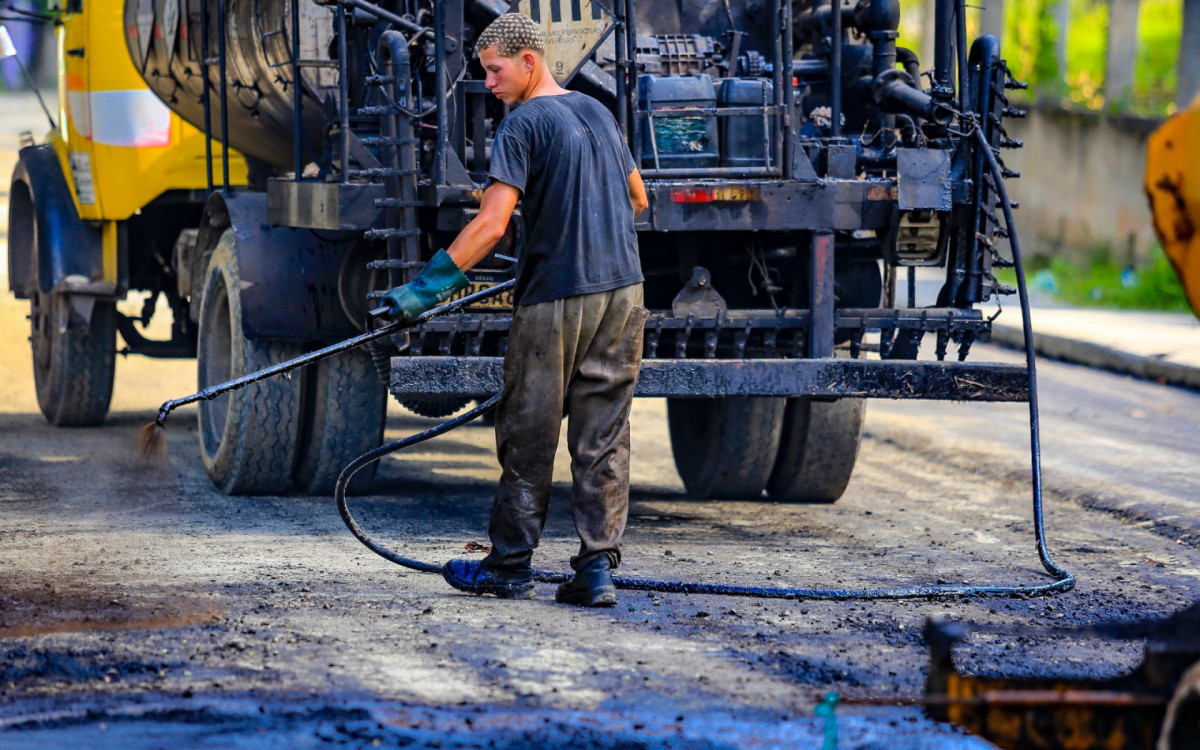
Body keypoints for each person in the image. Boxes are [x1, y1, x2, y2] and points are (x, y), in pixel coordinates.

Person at [382, 12, 649, 607]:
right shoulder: (598, 112)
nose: (489, 83)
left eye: (495, 70)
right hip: (624, 293)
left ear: (529, 62)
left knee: (529, 430)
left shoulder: (523, 124)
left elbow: (492, 226)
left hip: (556, 298)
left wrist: (422, 293)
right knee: (604, 434)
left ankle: (508, 567)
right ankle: (597, 571)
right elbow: (638, 198)